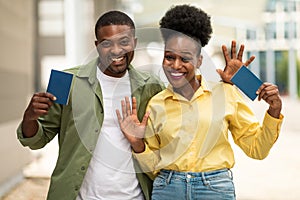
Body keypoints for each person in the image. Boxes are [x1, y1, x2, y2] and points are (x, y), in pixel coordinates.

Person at [116, 5, 283, 200]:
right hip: (168, 189)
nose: (176, 65)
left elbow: (257, 149)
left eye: (185, 58)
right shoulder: (156, 104)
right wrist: (138, 145)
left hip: (214, 189)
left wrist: (273, 111)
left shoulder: (225, 94)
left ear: (199, 61)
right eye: (169, 57)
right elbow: (154, 167)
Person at [16, 10, 166, 200]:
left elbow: (166, 144)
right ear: (96, 45)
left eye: (124, 42)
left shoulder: (152, 86)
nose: (116, 50)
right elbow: (36, 141)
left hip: (135, 196)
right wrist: (29, 118)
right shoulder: (64, 81)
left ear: (134, 43)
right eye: (106, 43)